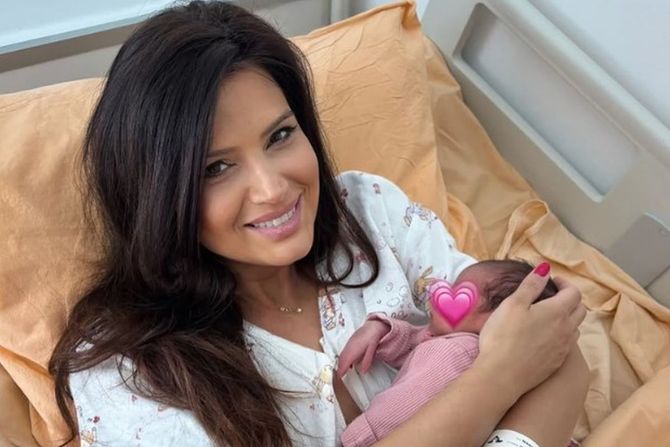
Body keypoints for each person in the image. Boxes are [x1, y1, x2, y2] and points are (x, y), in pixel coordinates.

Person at [47, 2, 588, 447]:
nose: (273, 189)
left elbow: (554, 346)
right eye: (216, 168)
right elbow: (526, 361)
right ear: (156, 193)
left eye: (280, 136)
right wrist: (498, 380)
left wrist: (524, 363)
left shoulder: (370, 210)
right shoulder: (126, 371)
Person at [337, 260, 580, 447]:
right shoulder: (443, 339)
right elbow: (412, 341)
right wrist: (380, 329)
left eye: (460, 293)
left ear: (499, 317)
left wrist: (363, 435)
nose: (438, 294)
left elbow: (405, 406)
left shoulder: (462, 352)